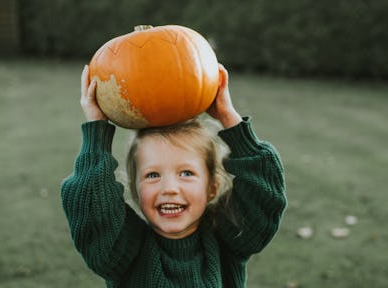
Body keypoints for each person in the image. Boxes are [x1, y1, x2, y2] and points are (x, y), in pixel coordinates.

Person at [61, 63, 287, 287]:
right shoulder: (122, 249)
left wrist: (229, 117)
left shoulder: (229, 237)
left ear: (212, 187)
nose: (169, 188)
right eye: (152, 175)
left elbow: (264, 190)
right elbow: (90, 201)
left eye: (186, 173)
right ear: (135, 189)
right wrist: (97, 129)